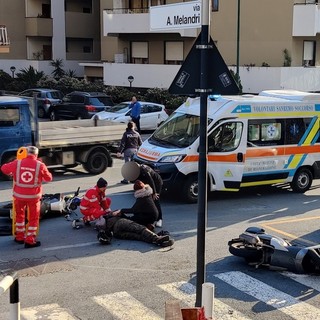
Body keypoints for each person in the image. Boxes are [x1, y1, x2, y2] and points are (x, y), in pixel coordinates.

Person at [0, 146, 52, 248]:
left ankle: (19, 237)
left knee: (19, 216)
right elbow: (48, 178)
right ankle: (30, 240)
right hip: (33, 197)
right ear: (36, 154)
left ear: (26, 153)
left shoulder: (17, 163)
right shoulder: (40, 165)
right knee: (33, 218)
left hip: (19, 196)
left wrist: (13, 172)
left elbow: (3, 168)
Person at [121, 161, 164, 228]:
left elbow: (151, 180)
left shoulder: (144, 169)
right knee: (143, 200)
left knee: (155, 200)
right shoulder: (135, 172)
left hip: (156, 183)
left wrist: (154, 192)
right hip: (146, 183)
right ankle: (147, 218)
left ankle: (159, 219)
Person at [96, 213, 174, 248]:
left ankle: (158, 242)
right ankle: (157, 239)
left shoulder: (102, 226)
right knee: (140, 229)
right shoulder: (110, 215)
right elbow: (120, 214)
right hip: (120, 222)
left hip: (116, 233)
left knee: (138, 237)